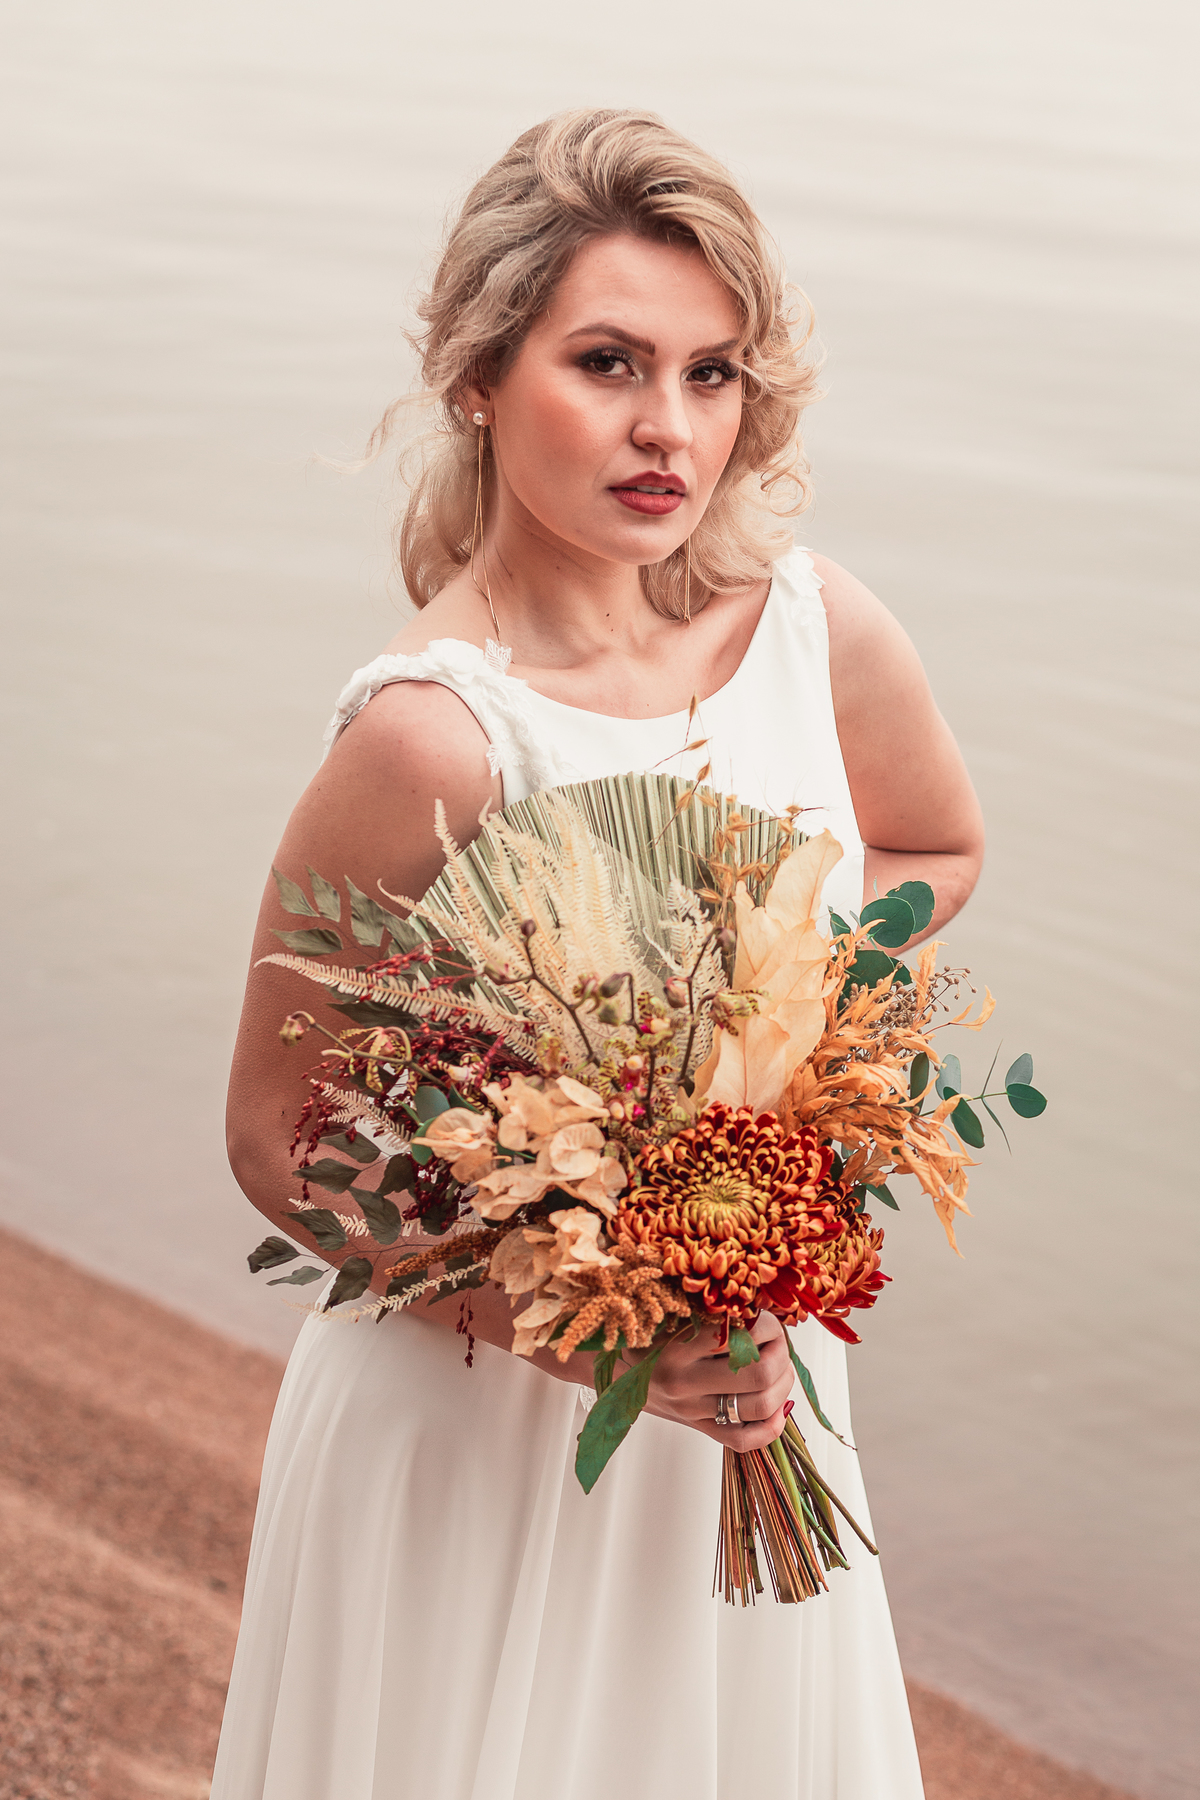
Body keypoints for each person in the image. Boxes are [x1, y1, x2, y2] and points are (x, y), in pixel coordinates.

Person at [212, 108, 984, 1800]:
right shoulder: (432, 736)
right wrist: (578, 1320)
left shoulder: (812, 629)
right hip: (486, 1426)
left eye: (712, 376)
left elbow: (932, 849)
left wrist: (794, 1056)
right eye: (610, 363)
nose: (667, 431)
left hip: (759, 1394)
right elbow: (283, 1136)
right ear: (480, 377)